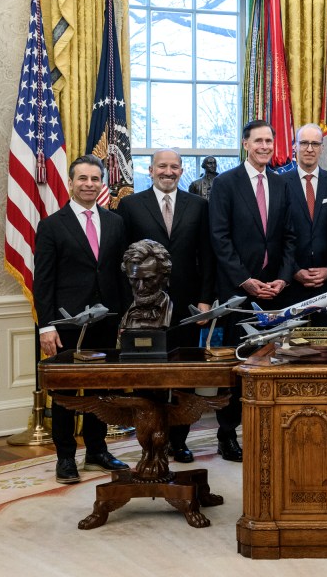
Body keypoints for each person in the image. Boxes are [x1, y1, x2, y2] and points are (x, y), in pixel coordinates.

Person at [33, 154, 129, 484]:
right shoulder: (51, 226)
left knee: (101, 390)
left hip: (107, 320)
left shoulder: (115, 223)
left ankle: (97, 450)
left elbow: (120, 274)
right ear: (71, 182)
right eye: (82, 179)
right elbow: (43, 281)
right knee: (67, 393)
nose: (89, 184)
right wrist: (45, 326)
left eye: (94, 179)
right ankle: (65, 457)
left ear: (102, 183)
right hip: (66, 325)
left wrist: (125, 317)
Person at [116, 148, 214, 463]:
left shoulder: (198, 206)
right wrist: (128, 304)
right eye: (162, 166)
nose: (168, 171)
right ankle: (150, 438)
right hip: (144, 307)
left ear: (182, 170)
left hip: (187, 307)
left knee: (183, 375)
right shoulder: (130, 206)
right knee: (149, 374)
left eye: (174, 166)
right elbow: (121, 259)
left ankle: (179, 440)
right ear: (151, 169)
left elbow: (207, 256)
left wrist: (204, 299)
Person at [208, 120, 297, 461]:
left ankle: (267, 431)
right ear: (245, 144)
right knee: (236, 365)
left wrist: (283, 279)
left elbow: (290, 237)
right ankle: (227, 434)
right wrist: (244, 279)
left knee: (273, 364)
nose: (264, 146)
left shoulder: (281, 183)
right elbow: (218, 237)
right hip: (238, 292)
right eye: (258, 140)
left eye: (269, 140)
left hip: (276, 292)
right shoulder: (226, 184)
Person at [280, 123, 327, 320]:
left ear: (322, 148)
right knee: (291, 346)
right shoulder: (280, 183)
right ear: (295, 147)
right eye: (304, 143)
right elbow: (276, 234)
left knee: (326, 347)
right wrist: (293, 270)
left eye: (315, 144)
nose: (309, 149)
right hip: (291, 282)